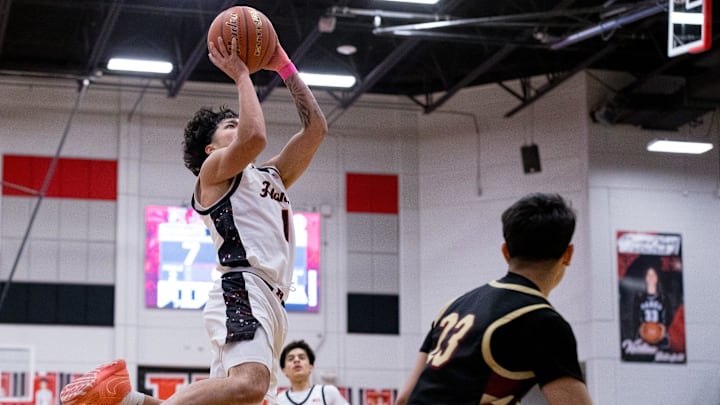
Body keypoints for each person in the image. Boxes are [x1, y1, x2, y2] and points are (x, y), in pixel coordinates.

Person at [59, 25, 328, 405]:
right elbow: (255, 137)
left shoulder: (272, 174)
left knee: (243, 400)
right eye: (228, 126)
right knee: (249, 386)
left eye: (237, 122)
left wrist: (282, 62)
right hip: (243, 287)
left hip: (271, 299)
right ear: (209, 148)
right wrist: (241, 74)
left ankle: (122, 398)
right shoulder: (214, 174)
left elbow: (316, 129)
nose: (238, 127)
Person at [395, 192, 593, 405]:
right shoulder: (543, 321)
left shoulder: (453, 307)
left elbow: (404, 399)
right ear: (568, 254)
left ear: (505, 251)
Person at [277, 340, 349, 405]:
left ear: (311, 367)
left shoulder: (328, 392)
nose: (296, 360)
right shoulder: (277, 401)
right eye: (291, 359)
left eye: (301, 357)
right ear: (284, 370)